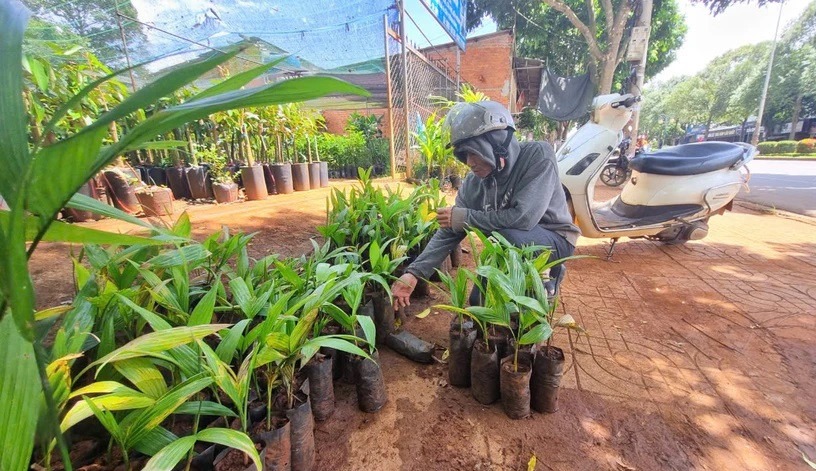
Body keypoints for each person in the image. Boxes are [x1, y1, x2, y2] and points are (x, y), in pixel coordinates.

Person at [391, 101, 581, 311]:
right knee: (479, 303)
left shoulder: (537, 156)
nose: (469, 162)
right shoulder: (474, 182)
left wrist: (465, 218)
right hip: (508, 241)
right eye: (464, 156)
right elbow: (450, 230)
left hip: (555, 237)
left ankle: (548, 278)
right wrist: (414, 273)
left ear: (499, 144)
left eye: (474, 152)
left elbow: (524, 218)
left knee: (519, 304)